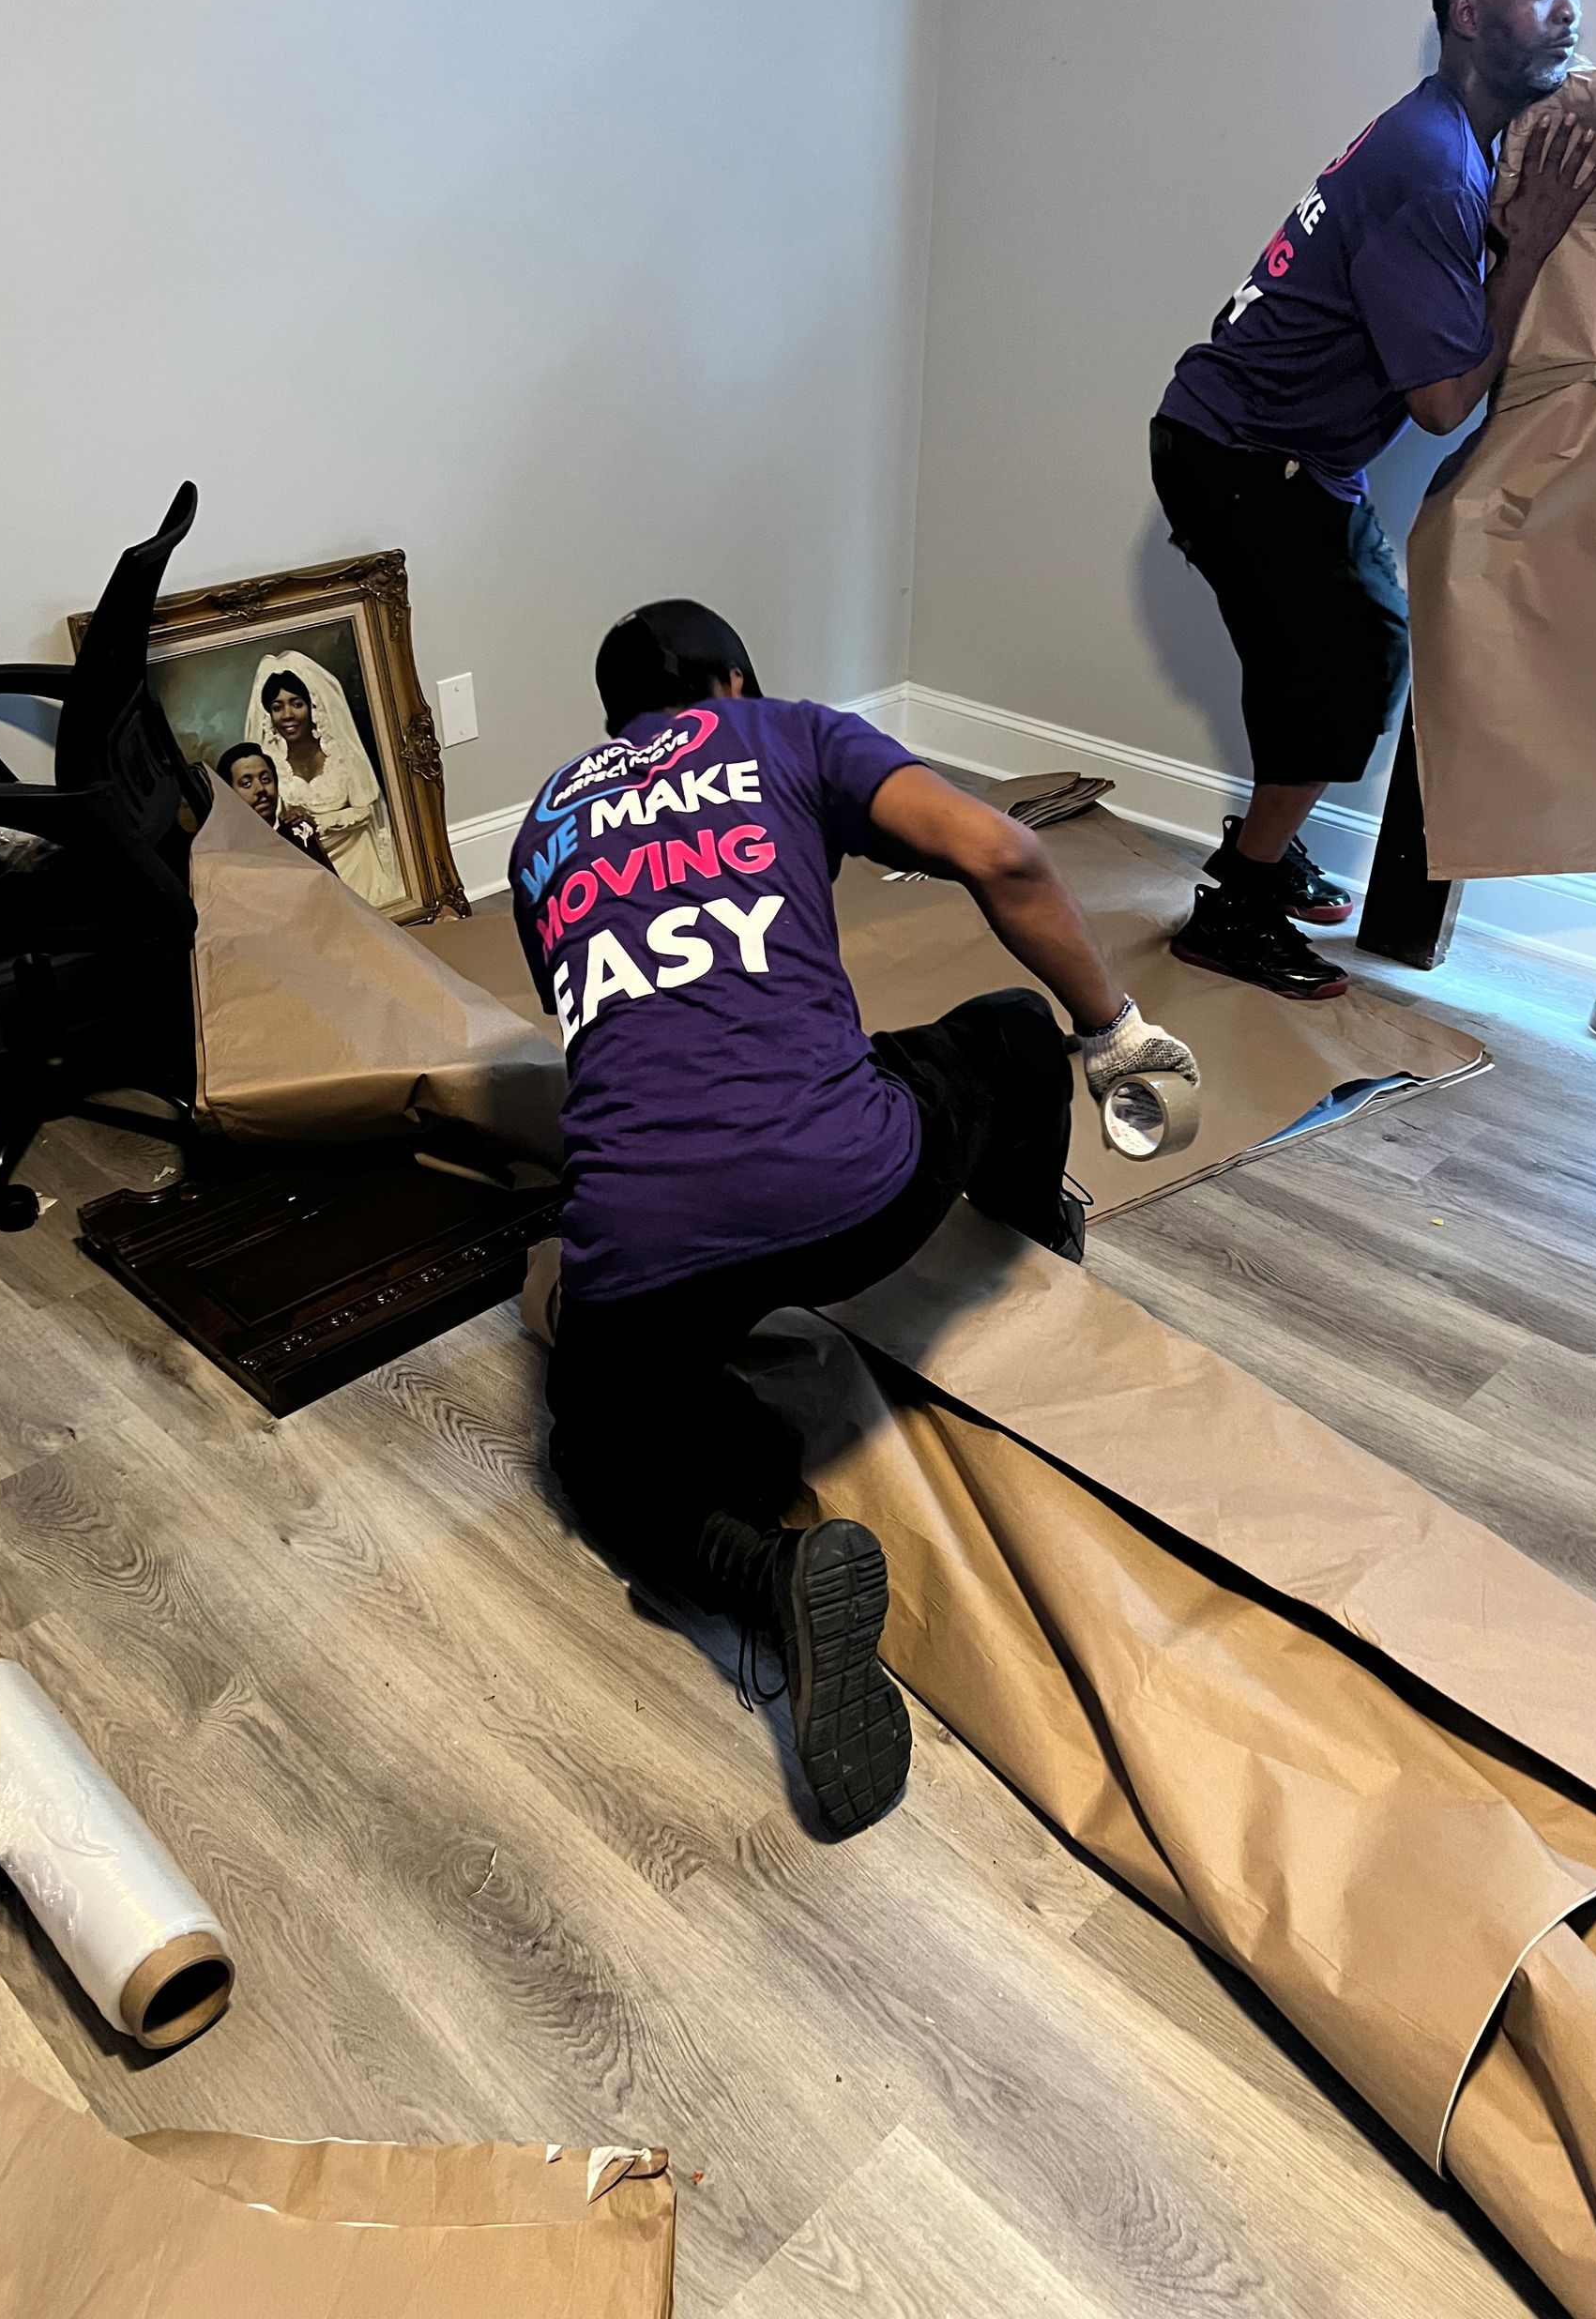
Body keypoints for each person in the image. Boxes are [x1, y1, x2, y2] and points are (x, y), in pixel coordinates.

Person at [509, 601, 1200, 1838]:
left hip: (641, 1231)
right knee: (1003, 1031)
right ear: (731, 678)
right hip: (852, 1189)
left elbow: (615, 1028)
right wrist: (1115, 1027)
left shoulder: (544, 821)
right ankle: (1030, 1238)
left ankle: (763, 1570)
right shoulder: (778, 732)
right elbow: (1003, 854)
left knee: (592, 1451)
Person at [1151, 0, 1596, 999]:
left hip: (1273, 448)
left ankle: (1261, 843)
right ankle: (1237, 909)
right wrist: (1531, 248)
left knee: (1338, 653)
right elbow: (1444, 402)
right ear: (1468, 13)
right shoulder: (1437, 165)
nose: (1571, 8)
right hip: (1242, 452)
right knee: (1344, 667)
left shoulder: (1451, 137)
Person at [248, 652, 405, 908]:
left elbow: (368, 811)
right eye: (277, 707)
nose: (287, 714)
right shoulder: (270, 767)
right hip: (310, 870)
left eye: (296, 703)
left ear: (312, 707)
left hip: (361, 862)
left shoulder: (341, 755)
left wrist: (313, 821)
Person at [214, 741, 336, 870]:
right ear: (229, 795)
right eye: (246, 784)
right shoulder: (228, 855)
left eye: (266, 779)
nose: (260, 788)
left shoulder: (298, 832)